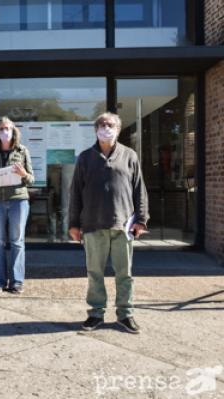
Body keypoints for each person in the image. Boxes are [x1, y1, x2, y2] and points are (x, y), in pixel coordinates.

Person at [68, 112, 149, 334]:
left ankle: (125, 314)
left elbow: (139, 190)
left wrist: (141, 220)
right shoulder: (85, 157)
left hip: (123, 225)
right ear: (96, 130)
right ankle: (95, 314)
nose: (106, 127)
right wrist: (74, 223)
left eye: (110, 124)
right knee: (95, 273)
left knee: (124, 273)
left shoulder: (129, 155)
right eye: (102, 124)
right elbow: (75, 192)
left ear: (118, 129)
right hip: (93, 225)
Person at [0, 117, 34, 294]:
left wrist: (24, 173)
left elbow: (31, 180)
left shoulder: (22, 150)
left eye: (8, 128)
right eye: (1, 129)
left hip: (18, 200)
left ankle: (17, 282)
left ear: (14, 131)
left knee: (17, 241)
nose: (5, 132)